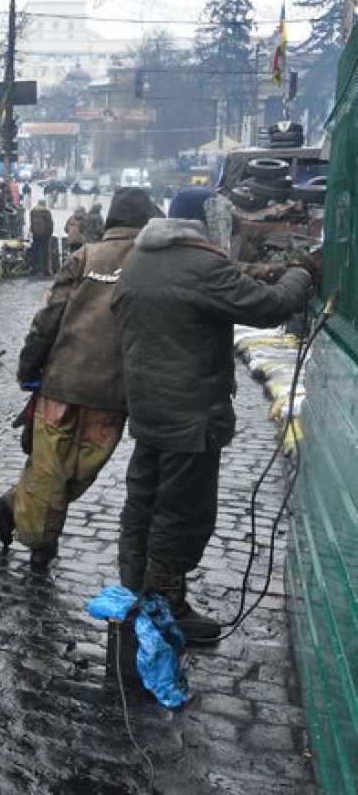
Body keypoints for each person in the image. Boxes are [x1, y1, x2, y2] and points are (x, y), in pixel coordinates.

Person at [111, 186, 311, 642]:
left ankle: (136, 591)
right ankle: (167, 607)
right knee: (181, 513)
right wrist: (300, 272)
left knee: (142, 502)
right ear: (204, 223)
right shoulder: (201, 265)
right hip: (190, 415)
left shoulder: (142, 259)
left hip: (148, 408)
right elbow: (270, 307)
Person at [0, 188, 162, 570]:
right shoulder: (134, 261)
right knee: (72, 473)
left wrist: (29, 368)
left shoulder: (95, 257)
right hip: (103, 392)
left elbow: (46, 319)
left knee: (55, 472)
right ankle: (40, 548)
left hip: (83, 388)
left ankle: (12, 507)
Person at [27, 200, 54, 275]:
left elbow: (32, 222)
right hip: (45, 234)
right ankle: (45, 269)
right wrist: (50, 233)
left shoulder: (33, 212)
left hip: (35, 234)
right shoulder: (46, 212)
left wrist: (32, 231)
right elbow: (50, 224)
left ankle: (34, 268)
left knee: (35, 251)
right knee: (45, 252)